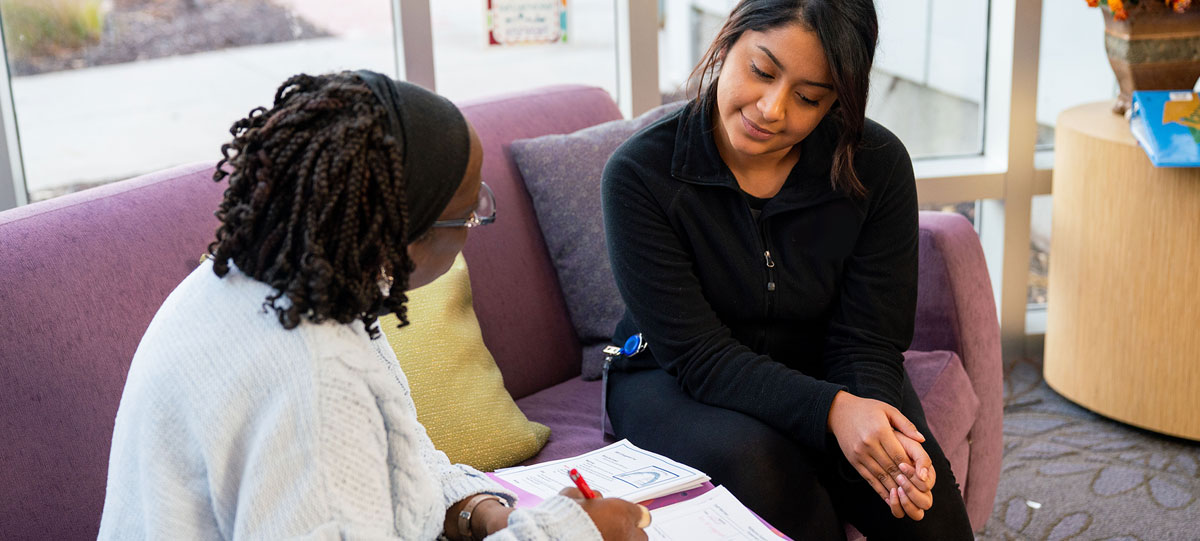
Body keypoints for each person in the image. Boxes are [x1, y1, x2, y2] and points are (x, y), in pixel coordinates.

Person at [99, 70, 649, 541]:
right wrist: (566, 531)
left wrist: (474, 510)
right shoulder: (316, 382)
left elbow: (396, 451)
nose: (477, 222)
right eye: (467, 215)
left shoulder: (274, 281)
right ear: (399, 240)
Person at [601, 1, 974, 539]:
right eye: (762, 71)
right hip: (673, 376)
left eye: (808, 98)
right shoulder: (639, 175)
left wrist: (868, 416)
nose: (773, 109)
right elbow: (701, 357)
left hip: (827, 364)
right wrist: (833, 413)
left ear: (835, 102)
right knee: (765, 467)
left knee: (920, 500)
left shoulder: (877, 165)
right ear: (728, 42)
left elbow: (868, 339)